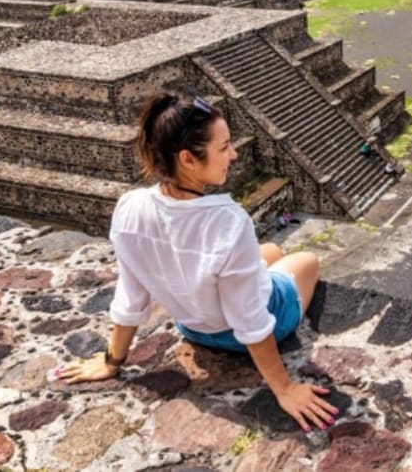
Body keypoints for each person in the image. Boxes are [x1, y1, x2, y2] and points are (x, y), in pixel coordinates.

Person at [56, 92, 336, 432]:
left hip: (194, 327)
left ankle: (265, 271)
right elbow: (250, 321)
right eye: (224, 147)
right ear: (188, 159)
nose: (233, 155)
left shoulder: (130, 207)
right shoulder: (228, 221)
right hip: (249, 329)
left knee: (270, 254)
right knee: (305, 260)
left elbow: (132, 296)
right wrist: (285, 389)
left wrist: (112, 361)